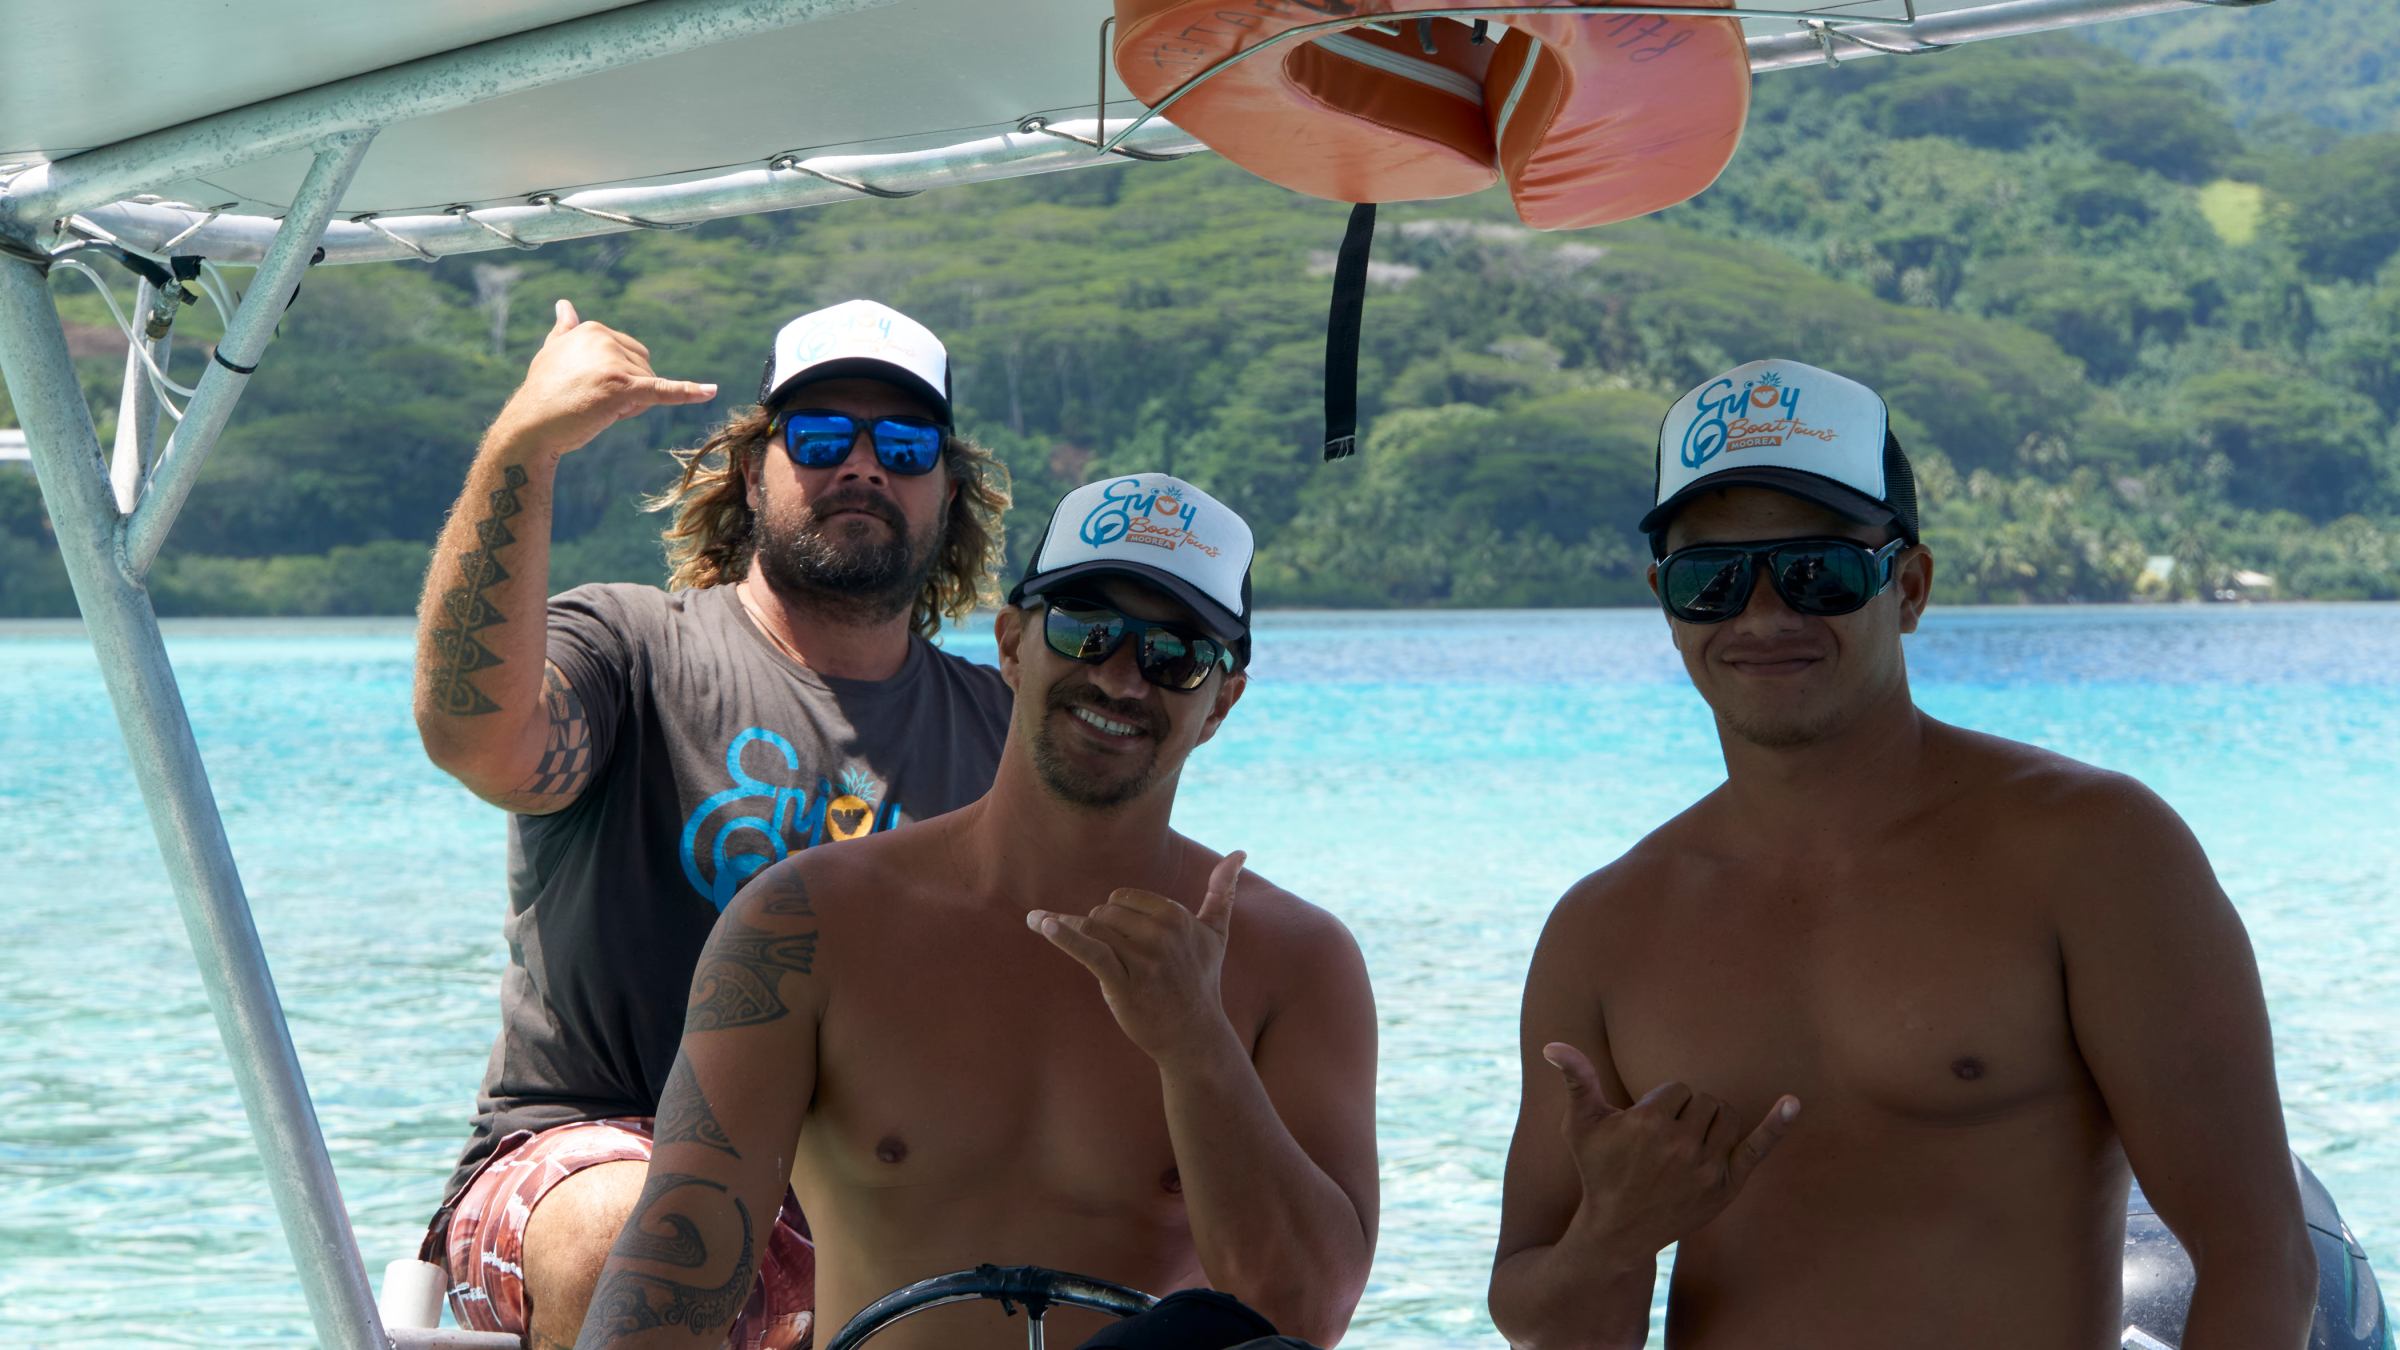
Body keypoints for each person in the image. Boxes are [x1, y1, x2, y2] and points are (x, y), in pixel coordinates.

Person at [1487, 360, 2318, 1349]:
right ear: (1668, 604)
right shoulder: (1607, 929)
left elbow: (2258, 1258)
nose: (1762, 617)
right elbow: (1544, 1315)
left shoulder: (2093, 854)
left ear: (1909, 587)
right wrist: (1613, 1241)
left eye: (1817, 573)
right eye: (1712, 581)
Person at [572, 474, 1380, 1350]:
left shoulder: (1296, 963)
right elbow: (673, 1280)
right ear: (1011, 645)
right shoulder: (810, 923)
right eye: (1084, 629)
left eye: (1175, 655)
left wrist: (1197, 1045)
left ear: (1220, 701)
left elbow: (1303, 1316)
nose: (1119, 678)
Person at [411, 297, 1016, 1350]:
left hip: (871, 1187)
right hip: (597, 1146)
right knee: (643, 1233)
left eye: (904, 444)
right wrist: (523, 448)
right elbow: (478, 736)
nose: (863, 466)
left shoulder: (1000, 729)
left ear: (945, 492)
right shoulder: (635, 649)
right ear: (754, 472)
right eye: (822, 438)